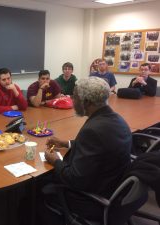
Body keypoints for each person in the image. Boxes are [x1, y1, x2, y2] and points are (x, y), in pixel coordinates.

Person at [42, 77, 132, 224]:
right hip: (115, 186)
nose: (72, 101)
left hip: (92, 198)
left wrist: (56, 161)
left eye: (75, 97)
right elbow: (100, 147)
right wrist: (67, 143)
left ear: (87, 102)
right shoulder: (116, 119)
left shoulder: (93, 130)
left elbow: (74, 179)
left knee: (39, 190)